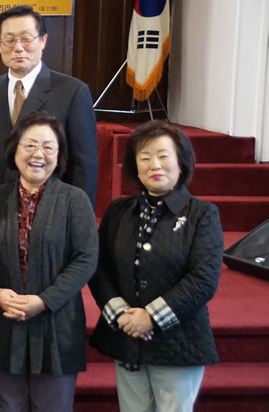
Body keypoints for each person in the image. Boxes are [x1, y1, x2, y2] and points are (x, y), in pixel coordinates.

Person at [89, 121, 223, 412]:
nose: (155, 165)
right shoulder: (118, 211)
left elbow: (204, 279)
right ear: (135, 166)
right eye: (145, 157)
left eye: (163, 156)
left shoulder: (202, 214)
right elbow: (98, 266)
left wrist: (151, 317)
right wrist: (121, 314)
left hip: (178, 340)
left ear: (181, 162)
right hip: (126, 336)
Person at [0, 111, 98, 412]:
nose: (38, 154)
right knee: (6, 405)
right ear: (14, 149)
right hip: (4, 323)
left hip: (56, 324)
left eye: (48, 147)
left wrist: (44, 300)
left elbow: (86, 258)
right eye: (29, 144)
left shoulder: (74, 200)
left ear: (59, 154)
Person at [0, 5, 98, 205]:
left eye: (26, 38)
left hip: (50, 208)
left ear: (43, 40)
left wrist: (79, 213)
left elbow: (84, 166)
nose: (18, 47)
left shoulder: (73, 92)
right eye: (9, 39)